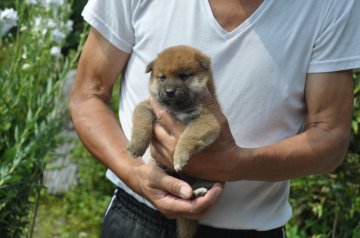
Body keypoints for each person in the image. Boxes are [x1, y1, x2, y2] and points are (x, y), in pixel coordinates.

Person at [68, 0, 360, 237]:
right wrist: (134, 173)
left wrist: (237, 163)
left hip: (251, 228)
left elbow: (330, 137)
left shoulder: (330, 5)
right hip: (139, 216)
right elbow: (87, 95)